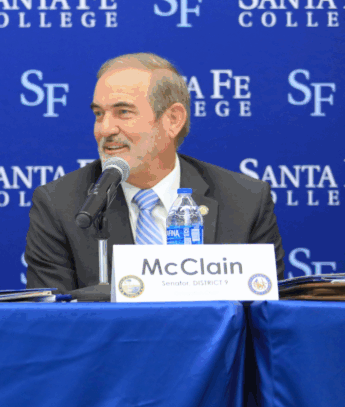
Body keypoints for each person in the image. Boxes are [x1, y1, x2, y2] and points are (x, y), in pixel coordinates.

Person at [25, 52, 284, 292]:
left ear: (173, 120)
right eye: (98, 114)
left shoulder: (246, 201)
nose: (104, 129)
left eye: (123, 112)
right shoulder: (60, 204)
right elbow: (52, 321)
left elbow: (267, 317)